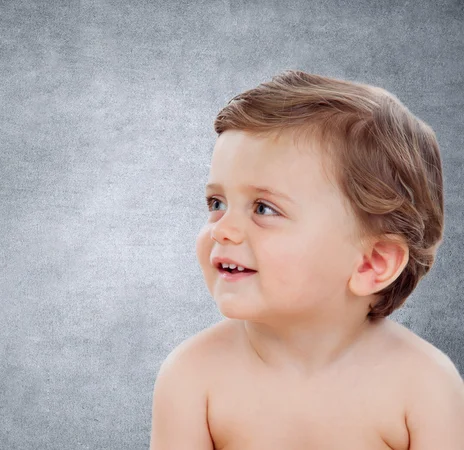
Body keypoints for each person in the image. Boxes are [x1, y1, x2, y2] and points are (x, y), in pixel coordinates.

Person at [149, 70, 464, 449]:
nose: (222, 229)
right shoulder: (192, 377)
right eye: (217, 203)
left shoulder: (424, 387)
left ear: (371, 263)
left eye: (264, 208)